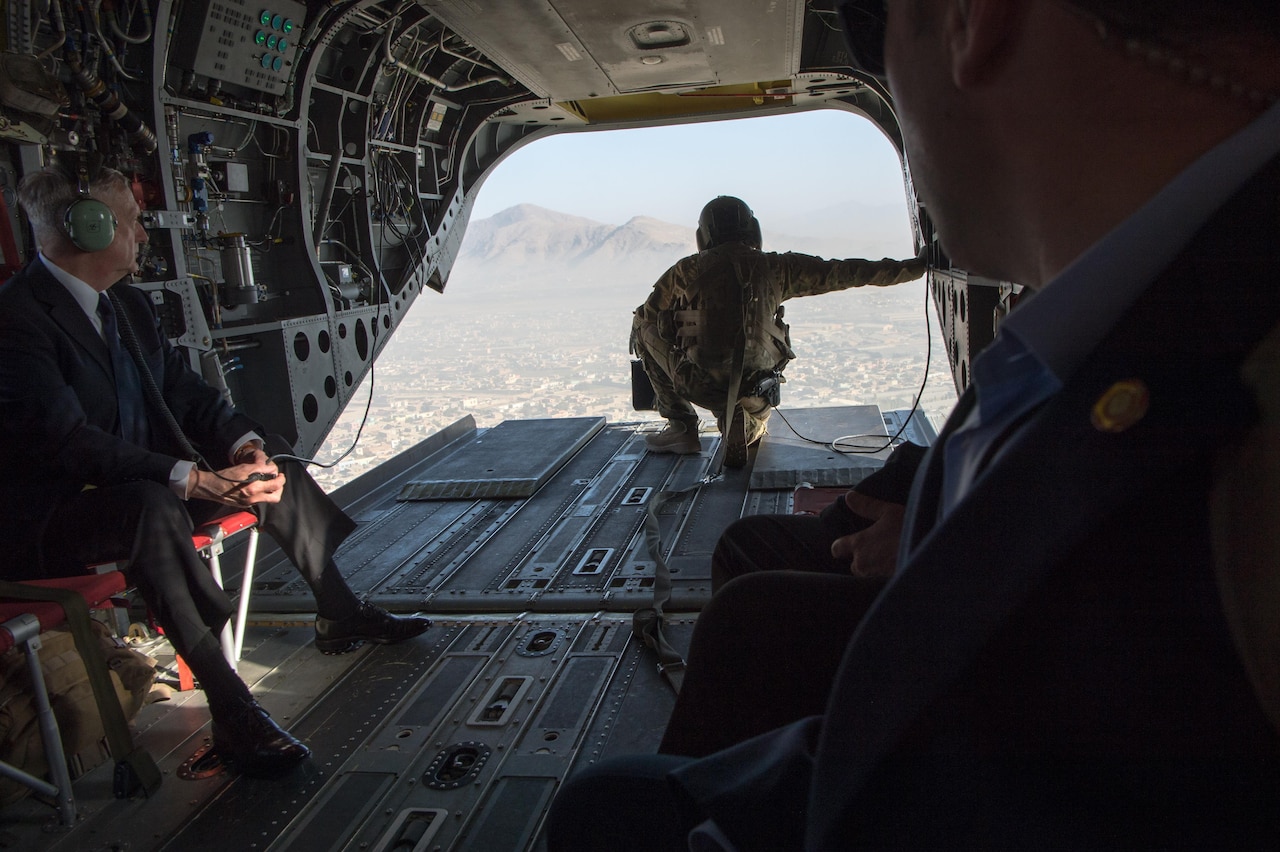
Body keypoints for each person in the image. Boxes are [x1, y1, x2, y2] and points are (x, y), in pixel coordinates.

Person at [545, 1, 1280, 849]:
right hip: (943, 725)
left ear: (973, 21)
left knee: (606, 809)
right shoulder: (1136, 308)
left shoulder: (1211, 366)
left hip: (951, 772)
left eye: (876, 40)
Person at [0, 164, 433, 778]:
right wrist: (193, 480)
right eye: (132, 222)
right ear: (90, 230)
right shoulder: (16, 321)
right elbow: (66, 443)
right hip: (51, 520)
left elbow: (182, 391)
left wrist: (241, 447)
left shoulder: (125, 306)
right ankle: (232, 709)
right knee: (150, 507)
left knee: (271, 459)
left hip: (138, 490)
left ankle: (338, 609)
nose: (144, 237)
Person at [631, 195, 925, 467]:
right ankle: (750, 421)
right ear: (753, 230)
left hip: (700, 386)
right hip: (757, 390)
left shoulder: (684, 271)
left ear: (704, 236)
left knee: (642, 325)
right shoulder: (779, 267)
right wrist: (915, 267)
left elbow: (650, 317)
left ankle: (682, 427)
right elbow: (848, 272)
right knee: (753, 392)